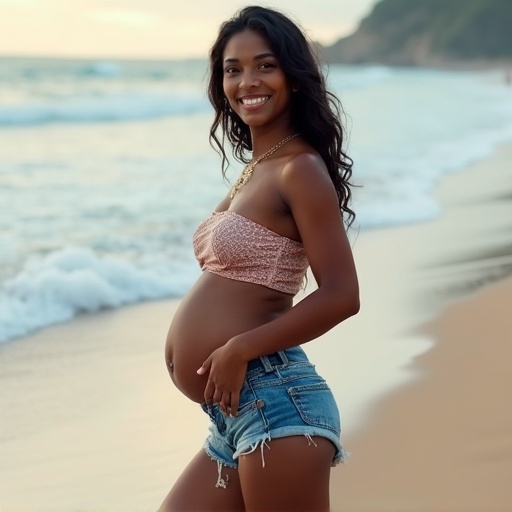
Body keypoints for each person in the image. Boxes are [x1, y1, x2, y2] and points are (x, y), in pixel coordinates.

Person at [159, 6, 359, 512]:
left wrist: (239, 349)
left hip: (277, 406)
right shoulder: (258, 168)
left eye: (265, 65)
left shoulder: (300, 170)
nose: (247, 81)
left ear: (293, 75)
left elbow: (342, 296)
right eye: (233, 68)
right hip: (233, 417)